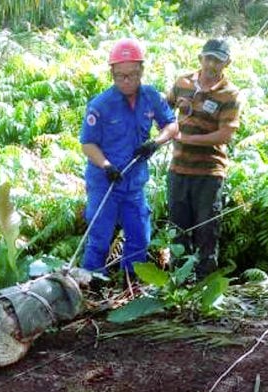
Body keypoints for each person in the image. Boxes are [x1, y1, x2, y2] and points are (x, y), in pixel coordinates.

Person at [79, 38, 178, 283]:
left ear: (141, 71)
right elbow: (88, 144)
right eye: (120, 76)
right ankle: (91, 286)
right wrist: (106, 165)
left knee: (140, 237)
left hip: (134, 181)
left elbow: (172, 125)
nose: (126, 81)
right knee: (99, 238)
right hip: (105, 182)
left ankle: (131, 285)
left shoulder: (151, 96)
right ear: (112, 74)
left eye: (132, 75)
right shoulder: (101, 104)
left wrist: (155, 142)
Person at [166, 38, 241, 279]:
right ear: (200, 58)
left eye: (217, 60)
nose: (211, 65)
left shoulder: (229, 94)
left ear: (226, 63)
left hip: (209, 173)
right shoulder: (183, 82)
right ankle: (178, 285)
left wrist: (188, 140)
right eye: (208, 58)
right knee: (177, 231)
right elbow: (163, 109)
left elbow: (226, 134)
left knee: (206, 231)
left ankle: (204, 287)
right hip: (178, 169)